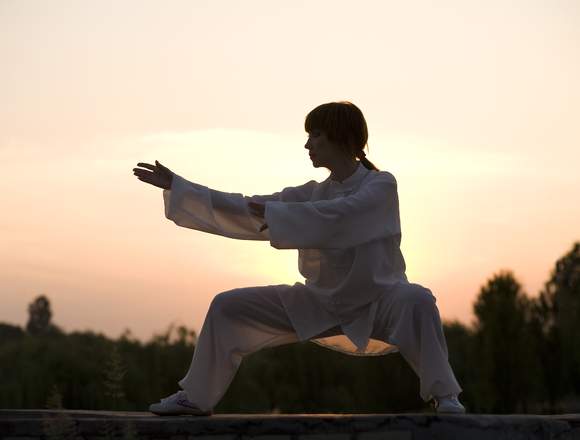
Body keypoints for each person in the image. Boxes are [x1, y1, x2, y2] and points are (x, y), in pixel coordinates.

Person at [132, 101, 466, 415]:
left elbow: (342, 216)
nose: (308, 145)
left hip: (379, 300)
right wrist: (179, 186)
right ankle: (196, 398)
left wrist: (281, 215)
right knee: (227, 306)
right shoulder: (312, 193)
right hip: (320, 303)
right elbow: (246, 206)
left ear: (343, 137)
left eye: (315, 135)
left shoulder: (380, 185)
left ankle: (444, 395)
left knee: (418, 299)